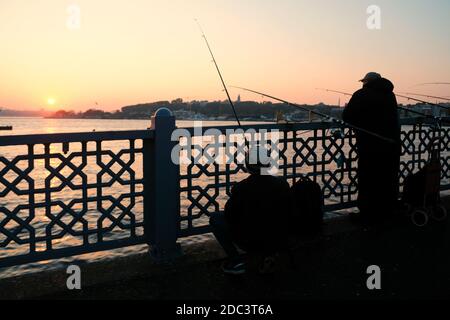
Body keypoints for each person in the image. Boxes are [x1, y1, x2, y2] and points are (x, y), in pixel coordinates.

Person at [209, 147, 292, 275]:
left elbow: (229, 216)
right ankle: (269, 255)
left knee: (215, 218)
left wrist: (234, 195)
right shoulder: (282, 184)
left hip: (249, 242)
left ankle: (236, 261)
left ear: (248, 165)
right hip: (278, 239)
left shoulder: (241, 188)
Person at [343, 72, 401, 223]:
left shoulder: (362, 94)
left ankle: (368, 215)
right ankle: (386, 212)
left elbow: (347, 116)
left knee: (368, 180)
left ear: (367, 82)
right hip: (391, 144)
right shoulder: (390, 95)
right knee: (387, 179)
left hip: (370, 146)